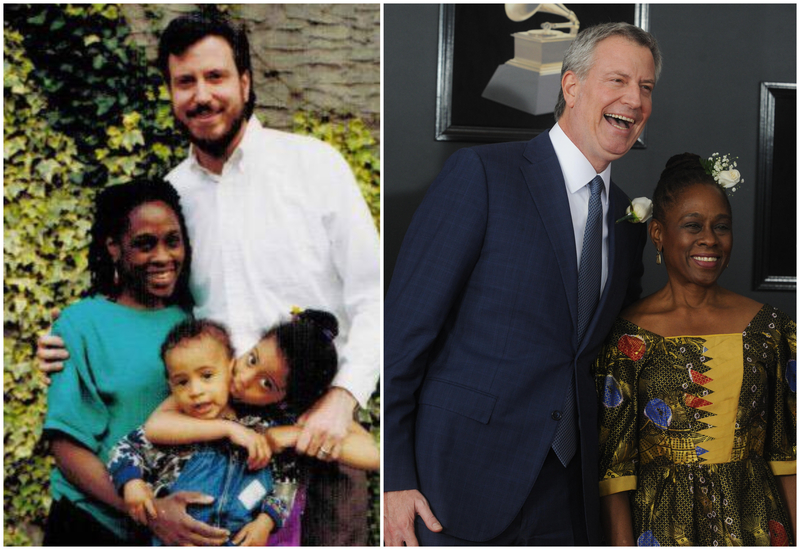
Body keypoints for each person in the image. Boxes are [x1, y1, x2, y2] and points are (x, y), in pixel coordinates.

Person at [38, 11, 380, 545]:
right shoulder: (174, 200)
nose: (202, 95)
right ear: (171, 93)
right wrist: (68, 347)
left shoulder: (315, 167)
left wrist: (342, 399)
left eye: (216, 76)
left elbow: (375, 293)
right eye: (185, 82)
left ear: (245, 81)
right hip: (210, 442)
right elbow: (143, 307)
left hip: (319, 435)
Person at [383, 22, 661, 546]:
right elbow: (401, 338)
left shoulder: (627, 218)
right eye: (618, 81)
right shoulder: (483, 175)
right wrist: (393, 480)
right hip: (455, 488)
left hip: (571, 500)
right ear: (572, 86)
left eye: (646, 87)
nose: (635, 99)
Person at [595, 153, 797, 546]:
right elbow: (614, 475)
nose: (710, 239)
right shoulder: (627, 339)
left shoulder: (771, 330)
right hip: (663, 530)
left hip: (757, 525)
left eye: (722, 227)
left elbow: (790, 457)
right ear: (658, 234)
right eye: (693, 226)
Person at [41, 180, 229, 546]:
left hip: (174, 530)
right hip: (94, 524)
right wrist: (150, 512)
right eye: (145, 244)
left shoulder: (194, 323)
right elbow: (65, 445)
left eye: (172, 241)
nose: (162, 257)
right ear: (114, 247)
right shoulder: (81, 324)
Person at [108, 315, 379, 546]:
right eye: (252, 359)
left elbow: (373, 455)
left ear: (285, 400)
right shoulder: (204, 390)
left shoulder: (275, 421)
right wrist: (227, 429)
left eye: (266, 384)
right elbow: (152, 430)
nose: (243, 379)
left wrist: (295, 434)